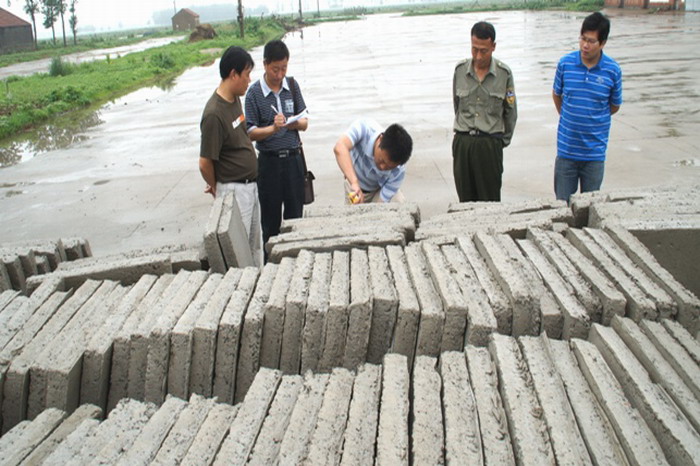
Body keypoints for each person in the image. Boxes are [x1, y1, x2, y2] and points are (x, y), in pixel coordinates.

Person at [199, 45, 262, 266]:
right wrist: (216, 186)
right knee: (239, 250)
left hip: (250, 186)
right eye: (246, 75)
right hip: (233, 190)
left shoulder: (234, 100)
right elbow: (205, 162)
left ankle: (258, 280)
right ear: (233, 74)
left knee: (254, 245)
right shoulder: (214, 114)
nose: (249, 80)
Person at [245, 40, 309, 251]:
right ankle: (272, 262)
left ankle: (295, 259)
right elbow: (250, 133)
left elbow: (305, 123)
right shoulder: (254, 93)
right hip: (269, 164)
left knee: (295, 220)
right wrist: (273, 128)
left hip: (293, 160)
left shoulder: (292, 86)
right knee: (270, 223)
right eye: (275, 69)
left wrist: (293, 123)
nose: (280, 74)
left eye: (284, 68)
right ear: (265, 64)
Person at [552, 12, 622, 204]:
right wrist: (569, 117)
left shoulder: (612, 70)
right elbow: (557, 95)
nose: (585, 45)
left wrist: (593, 118)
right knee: (562, 206)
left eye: (591, 41)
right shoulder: (565, 64)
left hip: (594, 154)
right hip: (566, 151)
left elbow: (614, 106)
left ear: (603, 43)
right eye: (583, 39)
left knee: (590, 207)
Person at [452, 21, 517, 202]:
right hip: (463, 143)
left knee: (490, 202)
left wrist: (499, 142)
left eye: (484, 51)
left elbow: (511, 112)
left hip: (489, 145)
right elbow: (456, 105)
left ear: (493, 46)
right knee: (464, 202)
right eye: (474, 49)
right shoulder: (460, 71)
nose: (478, 56)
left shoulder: (504, 74)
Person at [333, 119, 413, 204]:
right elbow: (340, 147)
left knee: (397, 200)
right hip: (353, 183)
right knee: (352, 209)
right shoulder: (364, 129)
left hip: (376, 191)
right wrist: (354, 182)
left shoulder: (398, 171)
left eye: (389, 167)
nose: (382, 167)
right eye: (382, 160)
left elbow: (382, 202)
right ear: (380, 139)